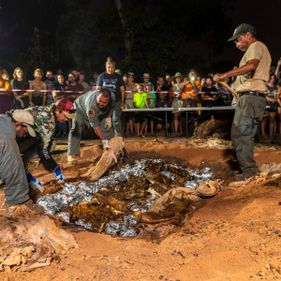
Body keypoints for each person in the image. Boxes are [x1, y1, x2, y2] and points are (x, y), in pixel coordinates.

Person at [213, 23, 271, 181]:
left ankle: (250, 174)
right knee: (245, 135)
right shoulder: (258, 48)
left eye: (238, 39)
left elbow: (251, 65)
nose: (236, 43)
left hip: (250, 97)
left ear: (247, 35)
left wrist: (225, 74)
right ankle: (250, 172)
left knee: (240, 134)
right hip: (253, 97)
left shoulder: (255, 46)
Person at [16, 106, 66, 190]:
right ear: (58, 111)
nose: (67, 120)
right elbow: (43, 150)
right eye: (66, 116)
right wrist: (56, 168)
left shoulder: (46, 109)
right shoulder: (49, 125)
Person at [0, 110, 39, 208]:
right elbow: (13, 169)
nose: (26, 134)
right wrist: (19, 199)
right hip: (17, 200)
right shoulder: (6, 138)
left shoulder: (2, 122)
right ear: (18, 124)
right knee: (13, 161)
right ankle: (18, 204)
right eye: (26, 130)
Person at [67, 89, 118, 163]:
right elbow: (96, 127)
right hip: (79, 108)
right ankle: (72, 154)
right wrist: (104, 141)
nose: (101, 103)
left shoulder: (112, 97)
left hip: (100, 111)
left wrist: (108, 118)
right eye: (100, 101)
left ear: (109, 100)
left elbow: (112, 107)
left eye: (104, 102)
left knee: (107, 128)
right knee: (76, 129)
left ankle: (110, 151)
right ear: (97, 96)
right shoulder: (91, 106)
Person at [96, 57, 125, 136]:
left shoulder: (118, 77)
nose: (110, 69)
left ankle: (118, 139)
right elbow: (98, 90)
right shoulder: (101, 76)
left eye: (112, 67)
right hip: (105, 103)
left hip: (116, 101)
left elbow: (122, 90)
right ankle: (107, 139)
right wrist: (98, 102)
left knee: (116, 120)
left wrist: (122, 102)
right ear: (106, 67)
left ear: (114, 68)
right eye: (109, 67)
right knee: (105, 120)